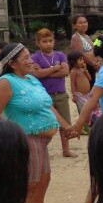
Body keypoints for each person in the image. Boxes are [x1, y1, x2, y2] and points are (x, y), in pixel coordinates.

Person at [0, 43, 75, 203]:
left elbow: (47, 106)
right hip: (26, 139)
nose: (31, 61)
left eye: (30, 56)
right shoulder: (5, 82)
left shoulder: (31, 79)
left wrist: (66, 127)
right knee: (30, 185)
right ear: (12, 64)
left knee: (43, 181)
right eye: (25, 58)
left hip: (42, 142)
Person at [30, 29, 75, 158]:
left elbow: (65, 72)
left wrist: (46, 72)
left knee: (65, 122)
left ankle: (66, 150)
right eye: (44, 41)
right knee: (44, 124)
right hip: (44, 96)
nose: (48, 44)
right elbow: (37, 74)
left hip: (61, 94)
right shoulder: (35, 57)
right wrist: (55, 68)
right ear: (38, 43)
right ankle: (42, 151)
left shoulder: (60, 55)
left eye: (50, 41)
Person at [67, 51, 100, 128]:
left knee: (91, 107)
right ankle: (84, 126)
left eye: (82, 59)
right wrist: (74, 94)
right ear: (73, 62)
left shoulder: (82, 70)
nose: (83, 61)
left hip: (87, 94)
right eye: (80, 60)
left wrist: (85, 71)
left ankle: (91, 121)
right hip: (79, 95)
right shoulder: (73, 72)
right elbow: (73, 84)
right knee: (84, 110)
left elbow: (90, 78)